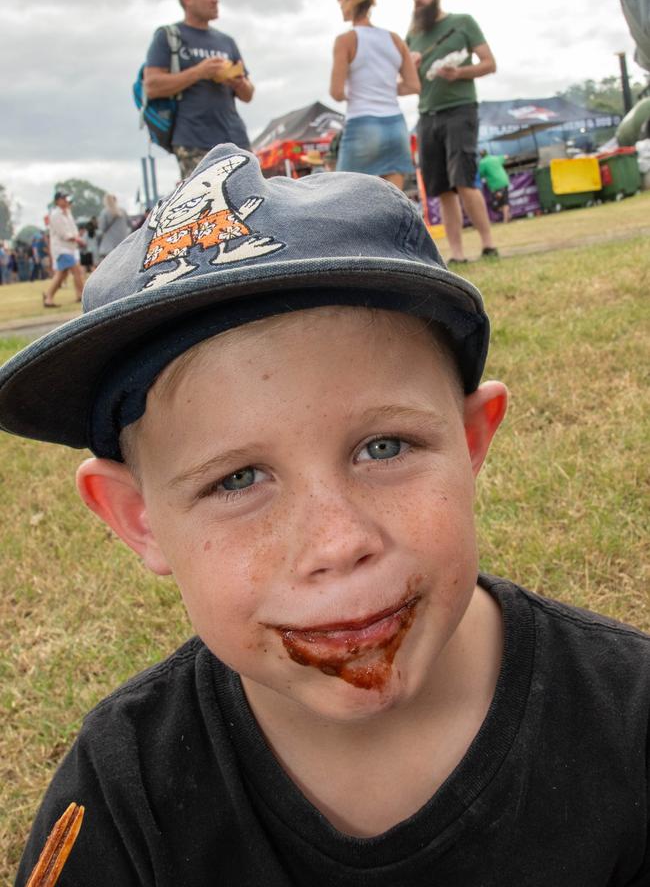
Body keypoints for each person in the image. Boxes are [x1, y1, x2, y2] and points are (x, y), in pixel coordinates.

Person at [2, 145, 649, 885]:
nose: (337, 543)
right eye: (238, 478)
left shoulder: (629, 726)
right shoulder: (125, 795)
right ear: (137, 518)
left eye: (384, 446)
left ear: (471, 441)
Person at [405, 0, 499, 263]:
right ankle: (456, 254)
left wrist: (459, 73)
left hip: (460, 109)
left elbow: (489, 63)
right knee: (442, 187)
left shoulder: (462, 22)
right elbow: (411, 82)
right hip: (427, 114)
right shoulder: (413, 35)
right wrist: (410, 65)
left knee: (464, 180)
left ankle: (488, 244)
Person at [144, 0, 254, 180]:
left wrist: (239, 83)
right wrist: (199, 72)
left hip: (235, 138)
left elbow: (249, 94)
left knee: (251, 204)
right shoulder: (168, 36)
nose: (215, 0)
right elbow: (152, 85)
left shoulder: (226, 41)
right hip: (193, 140)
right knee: (207, 208)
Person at [330, 0, 420, 190]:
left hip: (363, 124)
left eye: (340, 0)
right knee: (394, 202)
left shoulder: (346, 40)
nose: (340, 5)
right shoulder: (395, 39)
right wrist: (385, 86)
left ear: (350, 0)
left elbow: (336, 92)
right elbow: (413, 86)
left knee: (346, 197)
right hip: (395, 126)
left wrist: (360, 90)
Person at [42, 191, 84, 307]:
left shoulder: (67, 213)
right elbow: (63, 234)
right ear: (57, 201)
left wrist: (77, 238)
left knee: (62, 274)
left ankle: (48, 296)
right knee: (76, 271)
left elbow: (72, 229)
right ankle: (82, 295)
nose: (65, 200)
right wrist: (77, 239)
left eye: (66, 198)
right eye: (63, 198)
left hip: (69, 248)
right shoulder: (55, 215)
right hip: (62, 248)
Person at [479, 149, 511, 223]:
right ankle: (507, 215)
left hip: (495, 185)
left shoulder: (482, 163)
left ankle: (505, 220)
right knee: (503, 202)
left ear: (481, 155)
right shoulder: (495, 158)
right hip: (504, 181)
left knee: (496, 205)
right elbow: (506, 156)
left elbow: (481, 174)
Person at [97, 194, 130, 262]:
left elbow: (102, 228)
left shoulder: (104, 212)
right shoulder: (123, 211)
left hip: (110, 245)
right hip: (123, 242)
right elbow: (130, 224)